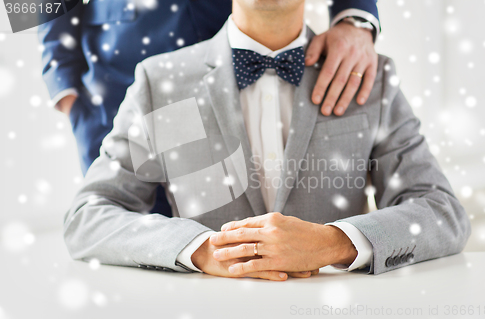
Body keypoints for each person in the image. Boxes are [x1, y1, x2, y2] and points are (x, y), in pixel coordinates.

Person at [63, 0, 471, 281]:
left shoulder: (368, 78)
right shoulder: (166, 85)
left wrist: (336, 243)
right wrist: (202, 249)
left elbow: (442, 212)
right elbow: (89, 216)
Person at [38, 0, 380, 217]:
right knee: (130, 241)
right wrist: (61, 81)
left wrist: (356, 17)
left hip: (239, 60)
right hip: (115, 79)